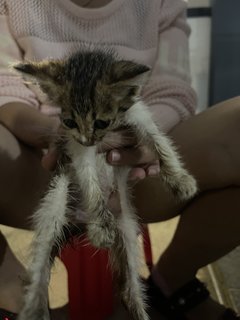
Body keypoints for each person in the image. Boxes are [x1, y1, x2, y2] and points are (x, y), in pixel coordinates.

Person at [0, 0, 239, 319]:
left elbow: (170, 92)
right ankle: (15, 291)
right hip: (40, 162)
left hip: (137, 169)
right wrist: (54, 133)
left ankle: (169, 284)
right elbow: (7, 90)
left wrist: (135, 144)